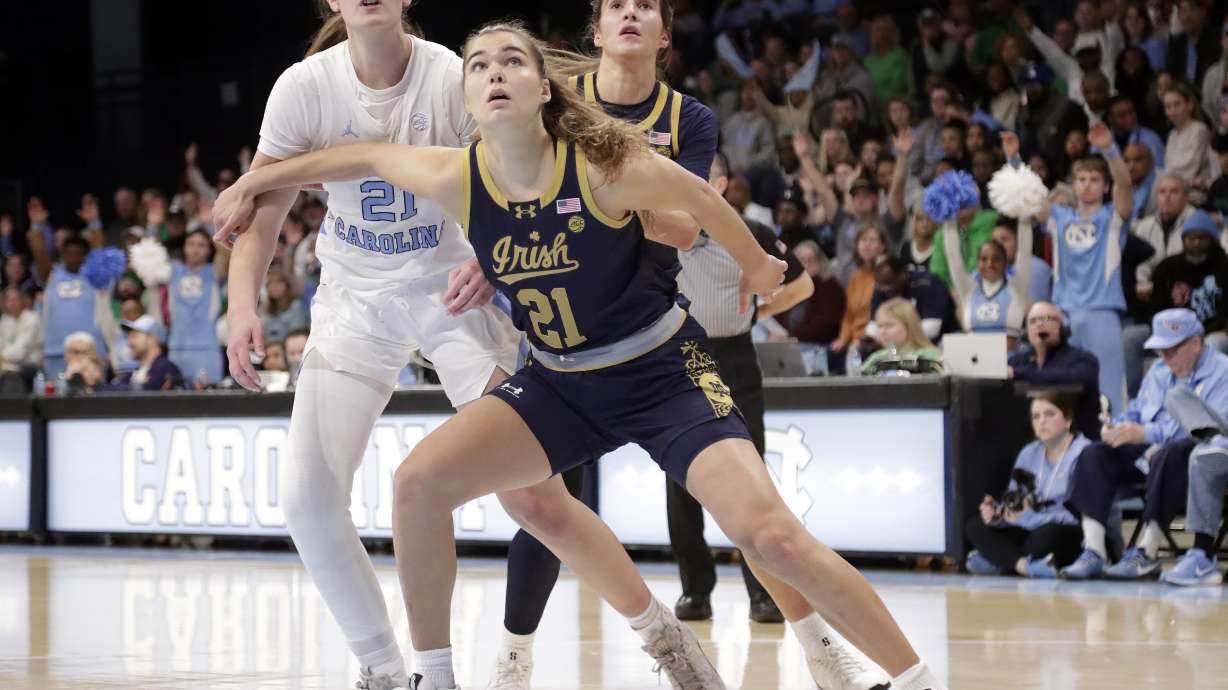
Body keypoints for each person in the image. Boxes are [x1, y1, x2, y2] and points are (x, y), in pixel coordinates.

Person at [213, 19, 947, 690]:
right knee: (417, 486)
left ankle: (910, 678)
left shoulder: (604, 164)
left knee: (770, 536)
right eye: (479, 66)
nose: (494, 73)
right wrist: (256, 179)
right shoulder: (458, 175)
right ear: (464, 96)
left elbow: (701, 200)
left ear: (542, 87)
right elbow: (363, 153)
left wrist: (756, 264)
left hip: (661, 372)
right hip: (561, 383)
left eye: (511, 62)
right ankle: (429, 679)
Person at [212, 4, 680, 689]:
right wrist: (241, 304)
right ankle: (388, 671)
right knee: (308, 500)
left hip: (455, 287)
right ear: (333, 5)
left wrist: (495, 261)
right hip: (356, 299)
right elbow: (267, 203)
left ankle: (660, 636)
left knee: (535, 501)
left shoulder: (452, 75)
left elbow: (522, 167)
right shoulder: (303, 87)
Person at [670, 152, 814, 624]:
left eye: (700, 175)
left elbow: (802, 285)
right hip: (682, 357)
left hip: (734, 355)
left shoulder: (751, 232)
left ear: (722, 182)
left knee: (752, 477)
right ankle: (695, 590)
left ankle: (764, 593)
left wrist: (752, 311)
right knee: (682, 480)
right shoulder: (656, 226)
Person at [1061, 309, 1228, 579]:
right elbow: (1138, 410)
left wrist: (1146, 433)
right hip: (1148, 450)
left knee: (1173, 451)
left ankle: (1147, 552)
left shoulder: (1223, 372)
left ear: (1195, 344)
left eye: (1170, 350)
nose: (1163, 357)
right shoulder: (1160, 370)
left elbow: (1209, 432)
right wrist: (1118, 426)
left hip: (1194, 455)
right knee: (1095, 454)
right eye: (1159, 350)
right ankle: (1094, 550)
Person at [1044, 121, 1133, 416]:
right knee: (1063, 394)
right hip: (1064, 314)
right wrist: (1015, 160)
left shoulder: (1112, 218)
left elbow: (1126, 184)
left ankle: (1118, 452)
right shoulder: (1058, 217)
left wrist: (1109, 149)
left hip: (1102, 313)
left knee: (1109, 393)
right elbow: (1028, 202)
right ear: (1072, 184)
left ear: (1105, 186)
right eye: (1080, 179)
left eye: (1095, 179)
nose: (1086, 185)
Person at [965, 393, 1089, 577]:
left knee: (1046, 538)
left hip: (1066, 530)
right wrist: (998, 515)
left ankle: (998, 560)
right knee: (974, 525)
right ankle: (1024, 565)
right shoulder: (1029, 452)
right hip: (1029, 526)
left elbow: (1078, 518)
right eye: (1036, 416)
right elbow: (1014, 504)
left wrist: (1029, 519)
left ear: (1068, 419)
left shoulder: (1085, 452)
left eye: (1049, 414)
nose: (1042, 422)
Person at [1010, 301, 1103, 441]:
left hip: (1077, 444)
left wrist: (1019, 374)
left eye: (1047, 318)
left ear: (1062, 327)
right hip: (1026, 442)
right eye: (1033, 321)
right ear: (1026, 331)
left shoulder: (1083, 360)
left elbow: (1068, 380)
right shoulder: (1017, 361)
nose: (1040, 324)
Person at [30, 234, 116, 381]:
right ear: (63, 255)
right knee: (56, 401)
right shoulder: (52, 276)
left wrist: (94, 222)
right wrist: (36, 227)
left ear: (86, 256)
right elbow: (39, 254)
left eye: (79, 254)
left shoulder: (95, 277)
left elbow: (99, 254)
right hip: (56, 352)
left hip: (91, 353)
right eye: (69, 253)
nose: (74, 258)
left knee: (94, 401)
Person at [168, 229, 226, 386]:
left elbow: (224, 255)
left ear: (209, 249)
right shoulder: (172, 271)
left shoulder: (214, 272)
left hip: (207, 349)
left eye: (201, 245)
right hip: (176, 348)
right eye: (191, 244)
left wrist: (219, 228)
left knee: (210, 402)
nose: (195, 249)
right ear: (184, 247)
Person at [869, 254, 959, 343]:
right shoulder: (881, 288)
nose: (887, 291)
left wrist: (897, 336)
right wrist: (870, 340)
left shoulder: (928, 283)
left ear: (903, 273)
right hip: (899, 340)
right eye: (882, 286)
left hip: (942, 338)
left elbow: (932, 328)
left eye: (891, 285)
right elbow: (873, 325)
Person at [859, 297, 942, 375]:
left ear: (909, 326)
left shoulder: (932, 357)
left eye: (889, 325)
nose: (882, 332)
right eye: (880, 326)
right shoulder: (876, 358)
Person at [103, 315, 185, 392]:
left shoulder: (165, 367)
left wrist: (133, 386)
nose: (129, 343)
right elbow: (107, 390)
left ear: (152, 339)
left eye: (134, 336)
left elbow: (147, 392)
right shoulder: (136, 372)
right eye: (128, 337)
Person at [0, 287, 41, 393]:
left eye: (15, 299)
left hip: (28, 364)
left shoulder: (32, 318)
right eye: (9, 299)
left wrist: (2, 357)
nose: (12, 302)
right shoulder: (5, 319)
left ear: (22, 300)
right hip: (6, 363)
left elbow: (22, 349)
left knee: (10, 377)